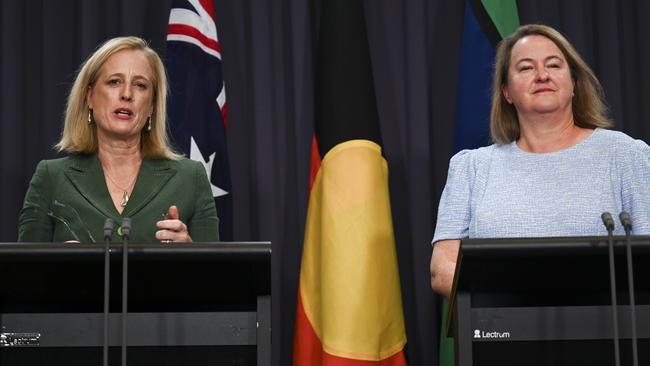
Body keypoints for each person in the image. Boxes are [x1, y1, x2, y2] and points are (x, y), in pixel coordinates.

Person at [430, 24, 650, 298]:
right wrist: (513, 302)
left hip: (611, 333)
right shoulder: (471, 168)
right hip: (503, 331)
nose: (542, 75)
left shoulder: (626, 155)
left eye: (554, 65)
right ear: (507, 92)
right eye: (525, 68)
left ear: (573, 84)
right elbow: (442, 268)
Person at [18, 36, 219, 243]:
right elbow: (21, 273)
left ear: (151, 106)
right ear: (89, 97)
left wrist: (191, 255)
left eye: (140, 85)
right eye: (114, 82)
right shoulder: (51, 177)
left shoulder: (190, 178)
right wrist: (57, 267)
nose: (127, 94)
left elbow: (216, 274)